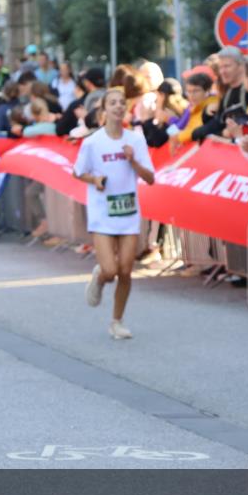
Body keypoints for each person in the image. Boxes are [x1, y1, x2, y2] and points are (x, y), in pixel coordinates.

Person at [74, 88, 156, 339]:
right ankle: (100, 278)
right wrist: (95, 178)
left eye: (122, 102)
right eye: (113, 103)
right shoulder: (92, 142)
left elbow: (150, 178)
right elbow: (78, 172)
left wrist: (133, 162)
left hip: (129, 212)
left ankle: (117, 321)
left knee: (125, 270)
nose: (118, 107)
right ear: (104, 109)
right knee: (110, 270)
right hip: (102, 213)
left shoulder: (136, 140)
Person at [193, 46, 248, 141]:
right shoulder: (227, 93)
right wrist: (196, 132)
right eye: (220, 67)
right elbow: (219, 121)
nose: (222, 71)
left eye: (227, 66)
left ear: (241, 66)